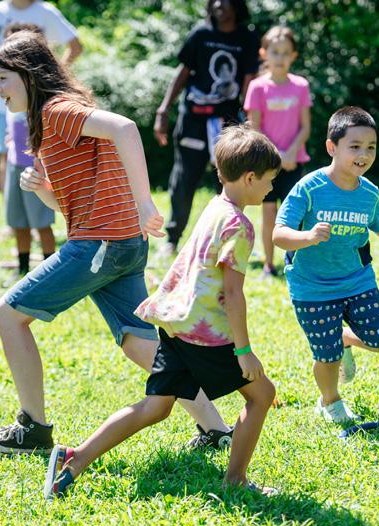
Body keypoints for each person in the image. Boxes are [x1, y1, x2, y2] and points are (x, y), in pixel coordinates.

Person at [0, 31, 230, 456]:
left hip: (100, 245)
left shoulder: (57, 110)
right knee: (139, 343)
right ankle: (216, 430)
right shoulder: (50, 120)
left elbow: (124, 128)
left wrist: (145, 202)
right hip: (118, 244)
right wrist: (42, 189)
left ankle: (33, 429)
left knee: (7, 316)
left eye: (3, 78)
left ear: (28, 75)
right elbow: (70, 206)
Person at [43, 125, 281, 499]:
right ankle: (235, 479)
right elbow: (233, 295)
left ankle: (75, 457)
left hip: (174, 323)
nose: (271, 187)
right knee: (262, 394)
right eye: (269, 180)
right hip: (203, 332)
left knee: (156, 407)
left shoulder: (215, 208)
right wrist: (244, 350)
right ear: (250, 178)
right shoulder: (240, 225)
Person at [273, 107, 379, 424]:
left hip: (356, 281)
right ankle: (330, 402)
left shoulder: (368, 192)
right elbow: (278, 235)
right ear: (332, 147)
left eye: (370, 147)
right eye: (355, 146)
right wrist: (307, 236)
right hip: (312, 287)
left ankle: (346, 338)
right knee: (327, 355)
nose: (364, 155)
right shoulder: (309, 188)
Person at [154, 0, 260, 256]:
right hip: (193, 120)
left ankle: (228, 238)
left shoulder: (246, 38)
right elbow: (183, 72)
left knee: (228, 181)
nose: (220, 5)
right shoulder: (200, 34)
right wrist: (163, 110)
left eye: (226, 0)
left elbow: (249, 82)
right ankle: (172, 239)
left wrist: (249, 119)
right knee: (184, 179)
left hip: (227, 124)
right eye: (215, 0)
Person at [0, 0, 82, 192]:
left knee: (40, 155)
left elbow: (75, 46)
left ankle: (40, 208)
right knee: (7, 154)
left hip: (37, 100)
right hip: (3, 100)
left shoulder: (45, 12)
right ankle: (11, 209)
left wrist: (51, 77)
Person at [244, 26, 312, 277]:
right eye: (275, 52)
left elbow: (305, 127)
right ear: (264, 54)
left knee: (295, 215)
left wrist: (290, 153)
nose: (280, 57)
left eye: (285, 52)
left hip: (294, 161)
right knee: (269, 212)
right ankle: (269, 264)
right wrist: (276, 156)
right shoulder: (257, 87)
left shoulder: (301, 86)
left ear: (293, 55)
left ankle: (296, 264)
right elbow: (255, 128)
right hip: (266, 163)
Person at [1, 23, 55, 287]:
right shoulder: (9, 89)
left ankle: (50, 268)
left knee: (41, 222)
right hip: (15, 164)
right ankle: (22, 267)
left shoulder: (40, 91)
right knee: (18, 221)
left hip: (36, 167)